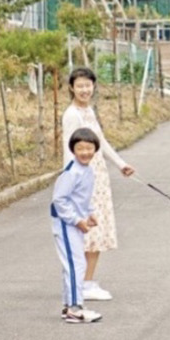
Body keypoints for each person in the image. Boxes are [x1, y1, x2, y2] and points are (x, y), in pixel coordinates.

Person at [61, 66, 135, 301]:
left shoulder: (89, 111)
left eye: (88, 85)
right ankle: (83, 284)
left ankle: (87, 281)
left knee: (97, 231)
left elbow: (100, 142)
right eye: (79, 86)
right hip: (84, 179)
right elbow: (68, 149)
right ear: (71, 88)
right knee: (88, 231)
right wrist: (71, 181)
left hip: (98, 177)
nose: (84, 90)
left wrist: (121, 164)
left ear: (93, 86)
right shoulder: (72, 115)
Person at [50, 128, 103, 324]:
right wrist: (76, 220)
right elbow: (59, 200)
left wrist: (89, 213)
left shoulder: (87, 170)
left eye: (89, 148)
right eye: (80, 148)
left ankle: (69, 306)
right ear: (73, 150)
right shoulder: (71, 173)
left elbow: (83, 196)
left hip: (75, 221)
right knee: (76, 264)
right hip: (65, 224)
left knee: (74, 264)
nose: (85, 152)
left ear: (95, 149)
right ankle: (74, 308)